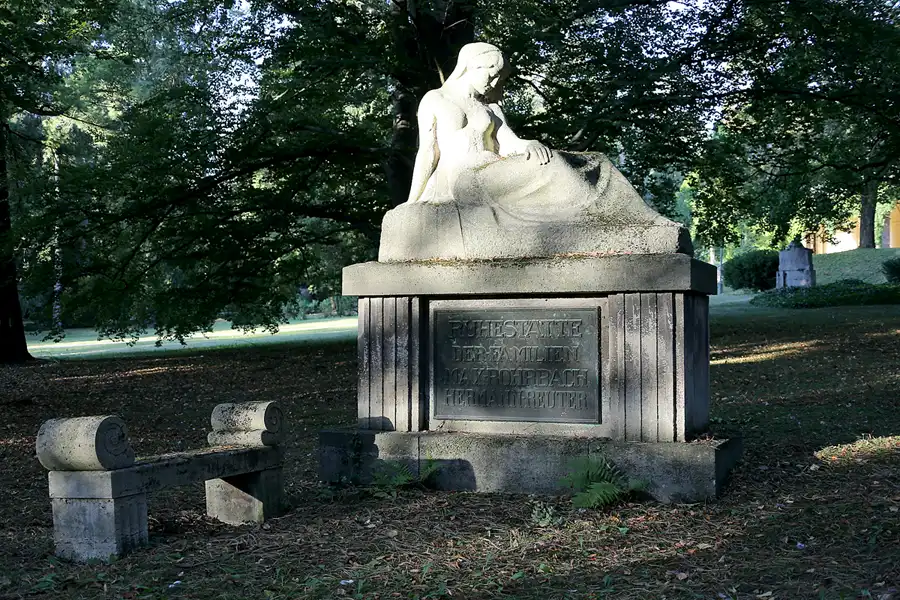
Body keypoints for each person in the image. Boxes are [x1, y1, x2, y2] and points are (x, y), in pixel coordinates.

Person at [404, 42, 670, 226]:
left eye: (500, 78)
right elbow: (428, 152)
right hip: (464, 181)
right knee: (552, 166)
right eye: (491, 74)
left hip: (492, 169)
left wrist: (529, 144)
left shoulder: (491, 108)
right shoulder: (435, 99)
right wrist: (411, 201)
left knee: (586, 160)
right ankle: (600, 216)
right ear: (471, 66)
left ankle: (627, 217)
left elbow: (510, 142)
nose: (495, 83)